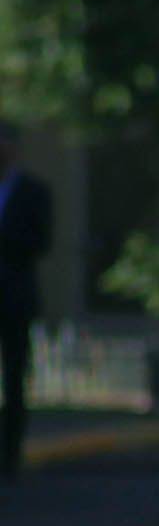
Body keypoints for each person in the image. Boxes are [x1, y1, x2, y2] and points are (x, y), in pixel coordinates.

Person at [0, 123, 52, 481]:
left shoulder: (34, 191)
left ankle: (9, 454)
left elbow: (42, 241)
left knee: (14, 377)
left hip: (14, 297)